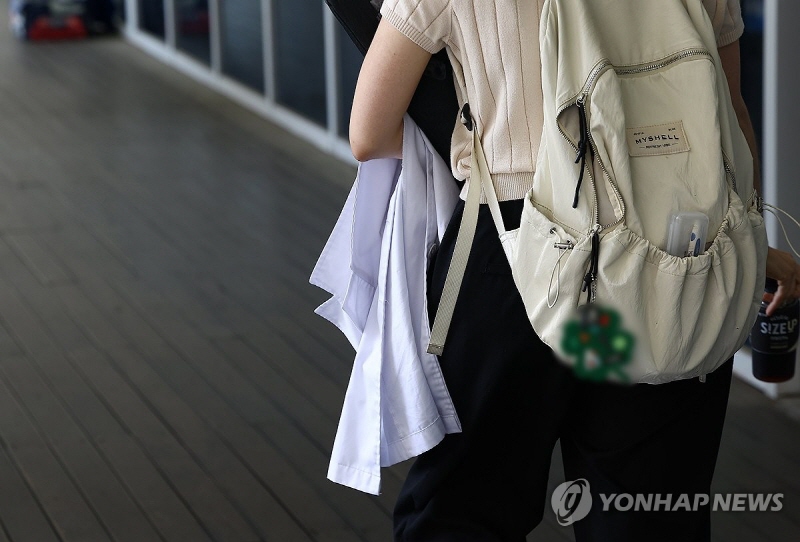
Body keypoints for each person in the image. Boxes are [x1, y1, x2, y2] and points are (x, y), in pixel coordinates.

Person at [349, 1, 800, 540]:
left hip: (511, 258)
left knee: (465, 511)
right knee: (648, 512)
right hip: (668, 258)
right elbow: (730, 114)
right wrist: (750, 242)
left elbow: (369, 134)